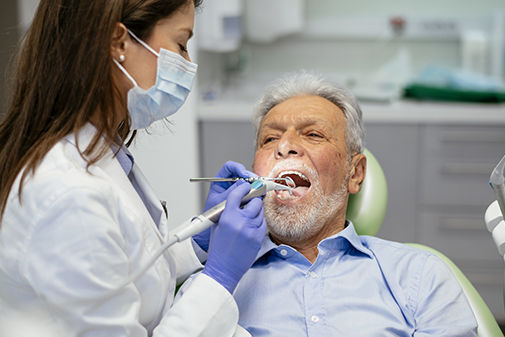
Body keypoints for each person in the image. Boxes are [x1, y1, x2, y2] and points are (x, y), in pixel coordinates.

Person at [0, 1, 265, 336]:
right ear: (119, 42)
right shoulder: (66, 192)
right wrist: (219, 278)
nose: (188, 64)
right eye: (181, 44)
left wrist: (198, 242)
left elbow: (124, 268)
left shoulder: (100, 153)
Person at [232, 71, 478, 336]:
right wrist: (214, 279)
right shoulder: (219, 285)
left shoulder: (420, 275)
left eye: (313, 134)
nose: (285, 146)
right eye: (269, 139)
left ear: (355, 173)